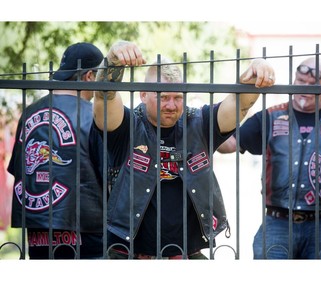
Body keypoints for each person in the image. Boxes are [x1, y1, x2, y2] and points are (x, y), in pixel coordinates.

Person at [93, 40, 275, 259]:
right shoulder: (127, 124)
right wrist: (112, 59)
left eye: (178, 97)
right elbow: (104, 97)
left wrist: (255, 73)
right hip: (128, 254)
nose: (171, 105)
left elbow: (240, 105)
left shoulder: (199, 123)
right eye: (163, 97)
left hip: (187, 254)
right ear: (143, 95)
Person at [218, 56, 321, 259]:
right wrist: (237, 103)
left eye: (312, 84)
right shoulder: (270, 117)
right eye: (300, 82)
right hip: (277, 223)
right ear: (294, 80)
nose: (305, 88)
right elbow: (226, 145)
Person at [8, 42, 105, 259]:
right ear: (90, 76)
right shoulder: (94, 116)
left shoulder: (29, 112)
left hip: (37, 235)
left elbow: (18, 169)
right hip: (88, 237)